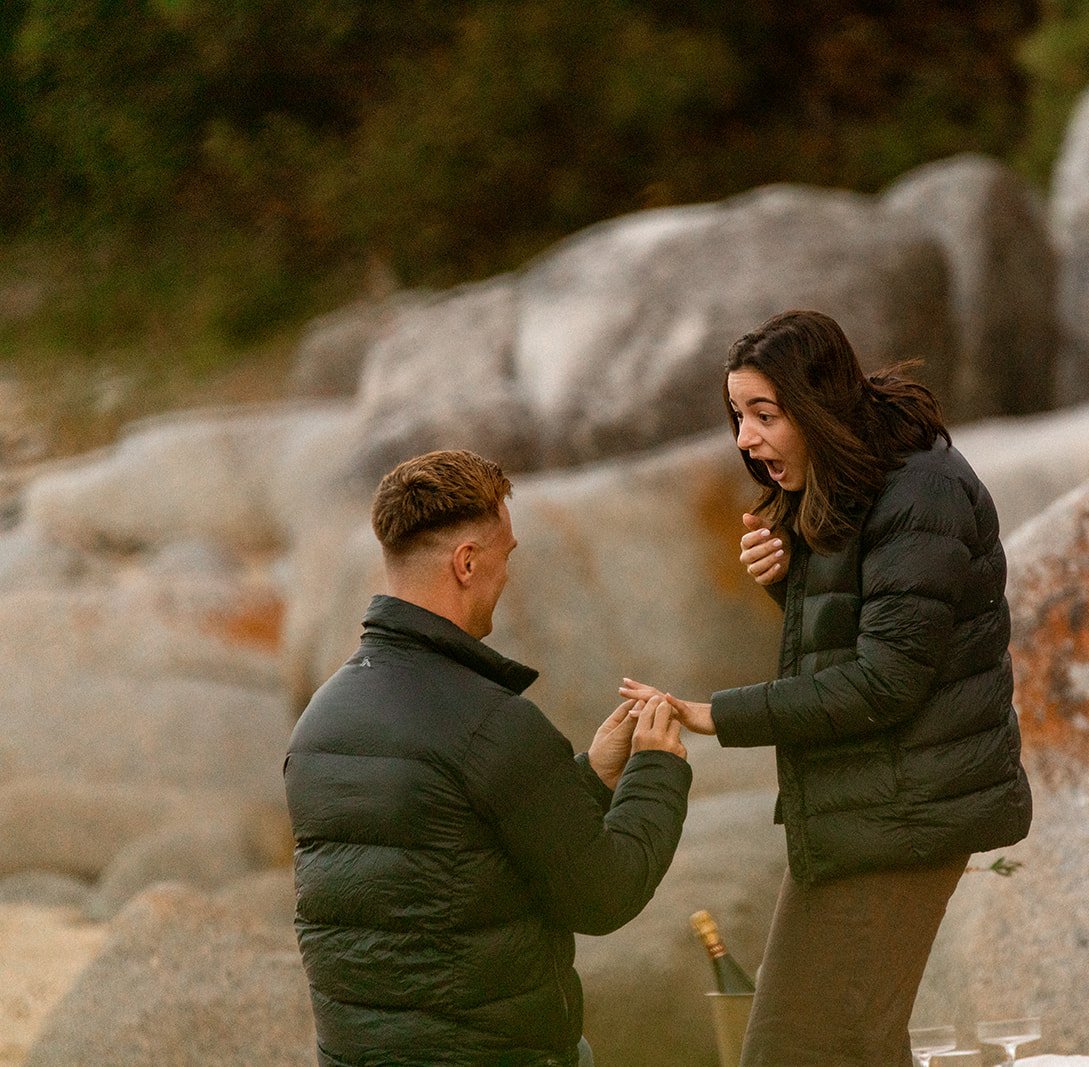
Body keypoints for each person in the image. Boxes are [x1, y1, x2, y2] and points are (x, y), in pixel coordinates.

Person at [622, 310, 1032, 1067]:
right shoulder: (857, 484)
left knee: (803, 1050)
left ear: (816, 407)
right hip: (867, 813)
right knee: (841, 1048)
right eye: (738, 417)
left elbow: (885, 683)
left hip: (907, 815)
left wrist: (717, 715)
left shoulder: (922, 493)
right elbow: (871, 640)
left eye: (764, 415)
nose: (745, 439)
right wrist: (792, 583)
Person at [285, 449, 691, 1067]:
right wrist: (657, 768)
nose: (507, 575)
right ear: (468, 562)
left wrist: (592, 775)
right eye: (507, 555)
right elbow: (602, 895)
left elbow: (458, 851)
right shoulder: (492, 725)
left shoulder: (318, 722)